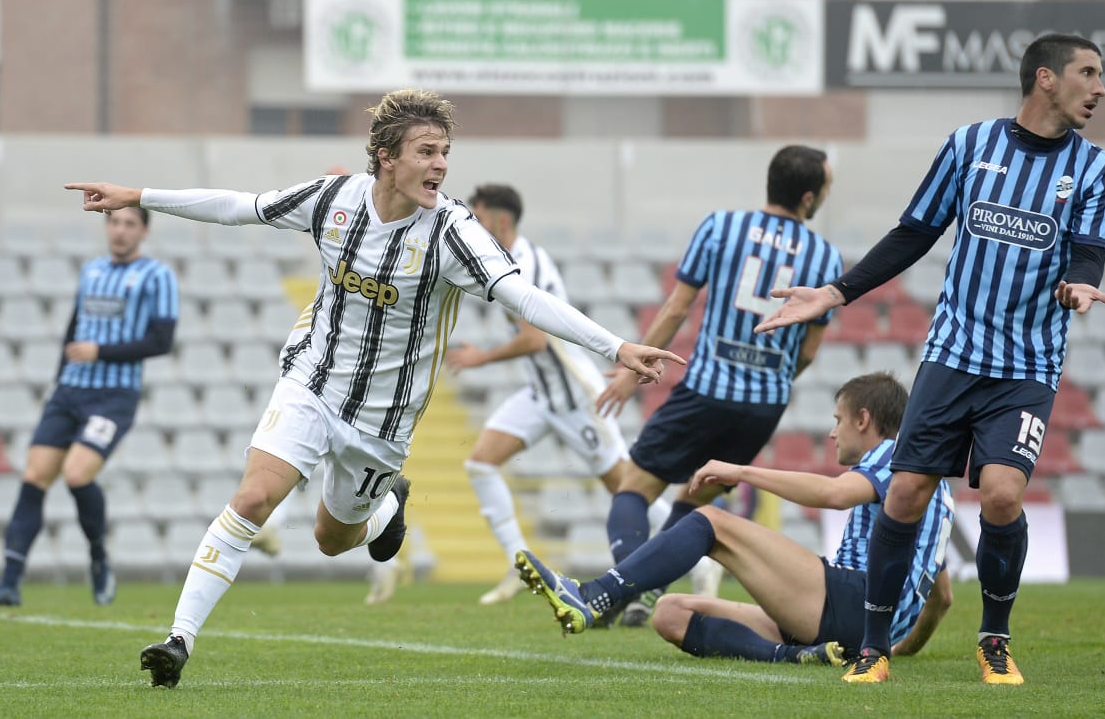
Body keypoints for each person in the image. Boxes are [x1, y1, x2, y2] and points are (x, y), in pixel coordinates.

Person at [64, 88, 683, 689]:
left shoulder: (452, 232)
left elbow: (524, 295)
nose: (440, 165)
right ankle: (179, 639)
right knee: (253, 499)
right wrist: (139, 195)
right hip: (311, 382)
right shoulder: (334, 199)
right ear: (387, 155)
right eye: (426, 151)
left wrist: (617, 346)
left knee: (332, 541)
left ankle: (386, 505)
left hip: (382, 422)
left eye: (445, 152)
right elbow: (241, 206)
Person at [753, 34, 1105, 685]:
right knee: (905, 492)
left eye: (1101, 75)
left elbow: (1088, 251)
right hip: (953, 354)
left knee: (1003, 495)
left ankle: (994, 641)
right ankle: (873, 649)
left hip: (1027, 366)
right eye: (1087, 73)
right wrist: (838, 291)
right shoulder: (969, 146)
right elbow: (914, 233)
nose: (1100, 88)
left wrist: (1080, 283)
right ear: (1045, 78)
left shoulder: (1099, 170)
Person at [516, 372, 954, 667]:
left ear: (864, 419)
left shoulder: (896, 454)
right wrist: (897, 648)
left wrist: (740, 470)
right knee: (670, 613)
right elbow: (943, 597)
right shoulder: (931, 486)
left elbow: (837, 495)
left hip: (852, 601)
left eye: (839, 420)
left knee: (711, 522)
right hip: (855, 627)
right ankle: (795, 655)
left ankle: (595, 595)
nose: (833, 432)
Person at [594, 145, 843, 625]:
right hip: (763, 407)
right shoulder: (826, 256)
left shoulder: (720, 227)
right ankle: (646, 590)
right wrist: (769, 378)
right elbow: (808, 352)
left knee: (634, 488)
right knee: (693, 503)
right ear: (809, 197)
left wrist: (630, 371)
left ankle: (623, 586)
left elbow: (676, 308)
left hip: (706, 390)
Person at [442, 183, 671, 606]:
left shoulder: (523, 264)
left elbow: (534, 341)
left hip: (574, 397)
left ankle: (695, 552)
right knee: (481, 464)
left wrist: (482, 358)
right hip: (540, 395)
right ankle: (517, 566)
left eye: (478, 216)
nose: (473, 225)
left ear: (501, 220)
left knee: (627, 489)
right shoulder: (507, 259)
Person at [0, 206, 179, 608]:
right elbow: (73, 330)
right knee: (33, 478)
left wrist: (100, 351)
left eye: (129, 224)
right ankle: (9, 583)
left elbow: (161, 342)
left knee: (77, 474)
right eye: (114, 222)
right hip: (69, 393)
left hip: (113, 397)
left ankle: (99, 556)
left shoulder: (158, 276)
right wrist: (59, 379)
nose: (120, 231)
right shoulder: (92, 270)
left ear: (144, 232)